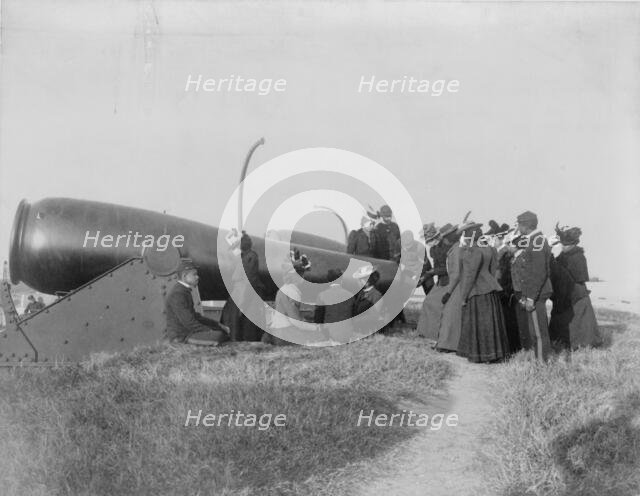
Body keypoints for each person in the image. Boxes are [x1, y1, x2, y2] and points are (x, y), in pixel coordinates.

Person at [456, 222, 510, 363]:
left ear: (469, 236)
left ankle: (481, 355)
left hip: (477, 290)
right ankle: (494, 354)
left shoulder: (473, 251)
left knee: (479, 324)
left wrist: (463, 296)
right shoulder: (490, 249)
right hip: (490, 289)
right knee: (491, 323)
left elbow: (470, 276)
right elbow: (493, 270)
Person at [549, 225, 601, 349]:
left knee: (580, 325)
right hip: (564, 293)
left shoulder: (578, 257)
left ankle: (582, 346)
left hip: (576, 295)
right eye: (562, 244)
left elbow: (577, 278)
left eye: (565, 245)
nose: (563, 247)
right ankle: (562, 343)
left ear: (573, 244)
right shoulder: (564, 255)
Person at [510, 211, 553, 362]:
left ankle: (542, 364)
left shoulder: (537, 242)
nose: (518, 228)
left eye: (519, 225)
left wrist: (530, 297)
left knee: (539, 332)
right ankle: (539, 360)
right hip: (533, 292)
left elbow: (538, 273)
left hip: (537, 293)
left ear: (525, 225)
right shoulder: (535, 240)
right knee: (534, 330)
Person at [164, 259, 230, 345]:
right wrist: (209, 331)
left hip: (187, 333)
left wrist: (217, 325)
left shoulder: (183, 291)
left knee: (220, 331)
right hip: (182, 336)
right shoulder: (178, 294)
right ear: (184, 276)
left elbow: (195, 316)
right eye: (194, 274)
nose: (197, 277)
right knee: (219, 335)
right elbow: (189, 322)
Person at [221, 231, 266, 342]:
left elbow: (249, 280)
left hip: (244, 292)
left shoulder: (249, 257)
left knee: (241, 321)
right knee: (235, 318)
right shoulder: (246, 257)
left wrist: (243, 301)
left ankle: (239, 341)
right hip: (242, 291)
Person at [262, 261, 319, 346]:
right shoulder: (293, 292)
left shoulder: (283, 289)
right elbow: (295, 321)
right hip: (285, 333)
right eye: (302, 274)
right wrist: (316, 327)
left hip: (276, 331)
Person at [416, 224, 456, 339]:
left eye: (429, 240)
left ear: (436, 237)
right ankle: (425, 333)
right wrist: (424, 277)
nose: (428, 243)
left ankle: (436, 334)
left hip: (450, 281)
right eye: (427, 241)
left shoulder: (448, 247)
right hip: (441, 281)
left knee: (437, 305)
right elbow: (435, 268)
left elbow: (449, 269)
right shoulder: (433, 249)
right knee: (428, 301)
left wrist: (431, 273)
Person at [487, 220, 521, 352]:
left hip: (505, 290)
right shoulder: (499, 252)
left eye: (492, 238)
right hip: (500, 288)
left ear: (497, 238)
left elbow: (504, 273)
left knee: (508, 318)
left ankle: (511, 347)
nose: (491, 241)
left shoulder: (505, 253)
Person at [436, 225, 465, 351]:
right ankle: (447, 344)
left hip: (456, 287)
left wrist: (449, 291)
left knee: (450, 314)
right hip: (456, 286)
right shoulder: (455, 248)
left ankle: (447, 345)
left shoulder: (457, 250)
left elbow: (456, 273)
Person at [314, 269, 354, 343]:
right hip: (348, 333)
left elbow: (318, 319)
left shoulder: (321, 295)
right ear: (341, 279)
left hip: (330, 334)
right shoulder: (350, 295)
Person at [352, 266, 384, 335]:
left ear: (369, 280)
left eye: (361, 279)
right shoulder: (361, 293)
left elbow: (374, 316)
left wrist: (355, 320)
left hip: (369, 328)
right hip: (359, 325)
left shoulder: (376, 295)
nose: (359, 281)